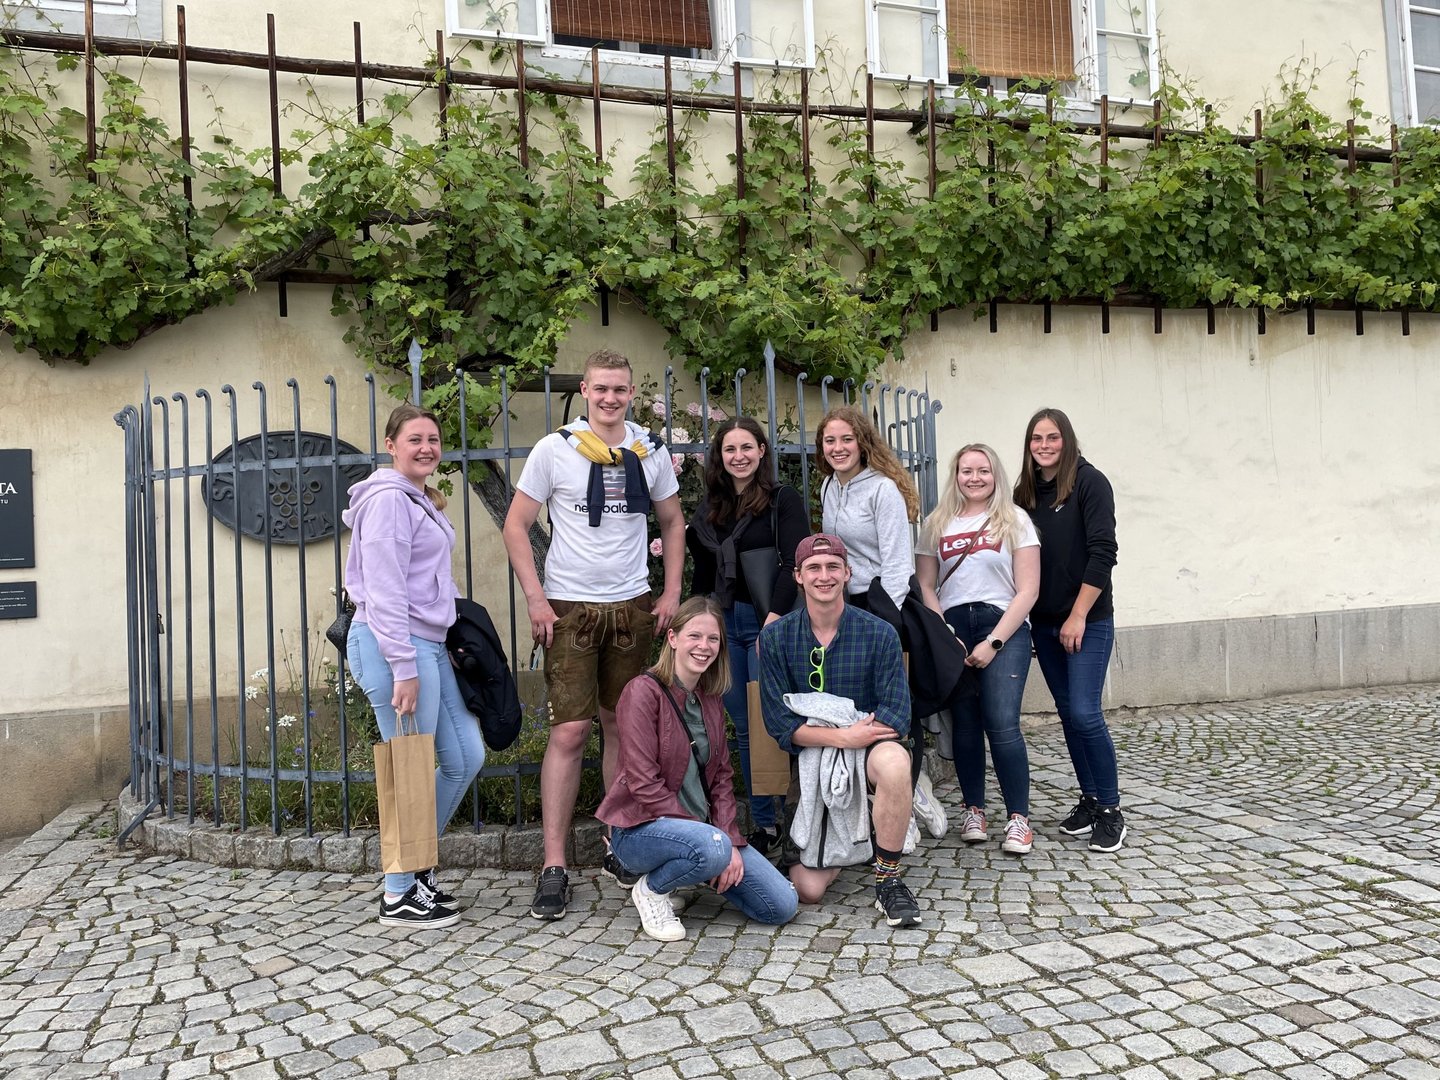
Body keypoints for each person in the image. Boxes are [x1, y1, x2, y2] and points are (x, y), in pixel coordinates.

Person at [502, 348, 686, 920]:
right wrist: (535, 598)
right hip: (569, 607)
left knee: (620, 726)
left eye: (620, 389)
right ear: (584, 390)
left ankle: (617, 844)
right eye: (601, 388)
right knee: (570, 731)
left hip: (632, 606)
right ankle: (554, 864)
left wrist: (671, 592)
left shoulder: (648, 450)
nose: (610, 398)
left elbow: (672, 521)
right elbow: (516, 525)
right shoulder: (554, 449)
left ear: (631, 393)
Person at [343, 404, 484, 929]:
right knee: (410, 770)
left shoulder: (415, 499)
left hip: (427, 644)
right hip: (395, 647)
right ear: (391, 445)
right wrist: (403, 665)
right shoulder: (387, 501)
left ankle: (416, 868)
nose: (426, 448)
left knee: (464, 757)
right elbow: (383, 590)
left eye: (433, 439)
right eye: (415, 439)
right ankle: (398, 893)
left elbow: (426, 577)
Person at [596, 597, 799, 941]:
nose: (704, 646)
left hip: (706, 836)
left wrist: (729, 838)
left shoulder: (711, 698)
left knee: (781, 905)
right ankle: (652, 889)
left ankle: (688, 872)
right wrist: (714, 841)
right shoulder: (641, 692)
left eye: (713, 639)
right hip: (640, 832)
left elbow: (721, 779)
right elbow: (643, 784)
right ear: (672, 638)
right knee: (715, 848)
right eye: (694, 636)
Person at [758, 533, 921, 929]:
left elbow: (896, 715)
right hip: (814, 760)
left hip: (870, 750)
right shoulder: (776, 638)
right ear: (798, 576)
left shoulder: (880, 632)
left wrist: (854, 741)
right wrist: (842, 737)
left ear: (848, 573)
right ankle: (858, 843)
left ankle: (888, 879)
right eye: (813, 568)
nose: (824, 576)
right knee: (809, 889)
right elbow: (780, 724)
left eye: (833, 566)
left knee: (896, 762)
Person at [815, 405, 944, 843]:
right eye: (830, 441)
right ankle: (883, 797)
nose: (838, 448)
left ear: (862, 442)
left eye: (846, 440)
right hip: (844, 605)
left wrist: (881, 623)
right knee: (855, 707)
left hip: (882, 606)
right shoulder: (828, 487)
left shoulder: (883, 490)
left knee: (892, 703)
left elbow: (897, 564)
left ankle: (909, 791)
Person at [687, 417, 809, 857]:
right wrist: (695, 623)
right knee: (742, 726)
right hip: (724, 624)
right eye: (729, 449)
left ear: (761, 451)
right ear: (719, 457)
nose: (738, 457)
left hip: (766, 623)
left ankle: (798, 821)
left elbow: (794, 562)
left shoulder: (781, 499)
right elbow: (703, 574)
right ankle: (765, 824)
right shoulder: (710, 508)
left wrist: (773, 619)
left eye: (746, 447)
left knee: (771, 723)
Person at [917, 444, 1039, 855]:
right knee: (966, 725)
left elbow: (1028, 590)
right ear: (955, 476)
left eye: (983, 470)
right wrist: (944, 633)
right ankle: (974, 811)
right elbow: (926, 585)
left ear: (994, 474)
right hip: (953, 629)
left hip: (1003, 627)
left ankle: (1019, 819)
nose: (974, 478)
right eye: (966, 470)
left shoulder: (1015, 519)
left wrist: (994, 642)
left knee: (1002, 723)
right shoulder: (936, 523)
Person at [1013, 408, 1124, 853]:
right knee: (1067, 714)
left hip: (1087, 620)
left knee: (1084, 712)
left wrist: (1077, 615)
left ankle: (1112, 811)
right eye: (1036, 438)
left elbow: (1104, 552)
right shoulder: (1024, 494)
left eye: (1052, 437)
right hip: (1044, 624)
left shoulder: (1090, 483)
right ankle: (1091, 799)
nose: (1044, 445)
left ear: (1067, 440)